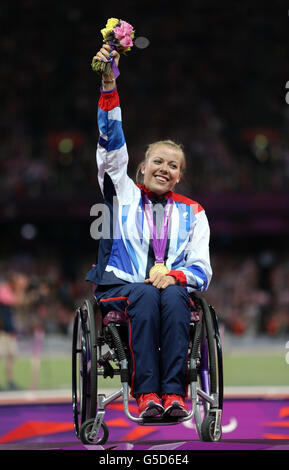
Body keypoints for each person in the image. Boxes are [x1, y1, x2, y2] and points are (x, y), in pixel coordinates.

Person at [86, 44, 212, 418]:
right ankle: (146, 395)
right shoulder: (123, 194)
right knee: (144, 294)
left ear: (179, 175)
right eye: (157, 161)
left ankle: (174, 395)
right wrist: (109, 84)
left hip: (171, 290)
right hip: (124, 288)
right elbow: (112, 144)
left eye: (173, 166)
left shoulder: (193, 212)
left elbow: (202, 269)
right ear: (141, 168)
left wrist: (174, 275)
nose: (165, 169)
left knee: (173, 297)